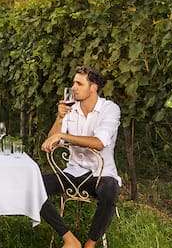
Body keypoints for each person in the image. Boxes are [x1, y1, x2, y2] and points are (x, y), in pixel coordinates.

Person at [40, 66, 121, 248]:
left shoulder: (109, 109)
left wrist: (64, 136)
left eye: (79, 83)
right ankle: (69, 239)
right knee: (33, 185)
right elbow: (51, 144)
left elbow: (99, 142)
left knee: (110, 191)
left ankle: (90, 244)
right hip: (72, 173)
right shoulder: (71, 110)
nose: (74, 87)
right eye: (73, 83)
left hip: (100, 174)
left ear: (93, 87)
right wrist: (60, 119)